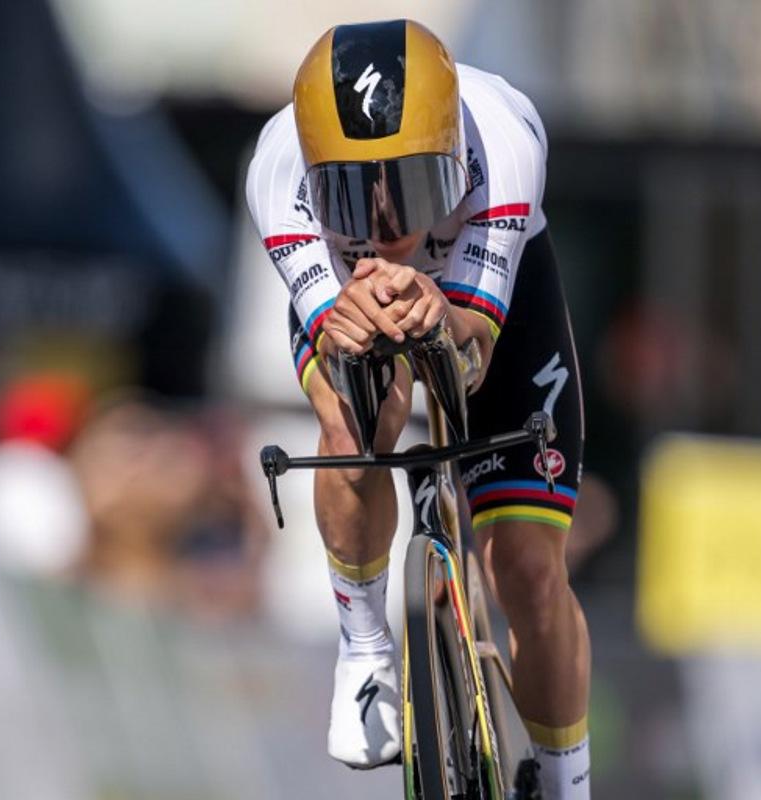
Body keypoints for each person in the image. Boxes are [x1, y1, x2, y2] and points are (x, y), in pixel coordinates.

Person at [246, 20, 591, 798]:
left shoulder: (504, 138)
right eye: (352, 193)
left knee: (528, 568)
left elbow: (474, 358)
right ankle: (365, 645)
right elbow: (333, 333)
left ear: (454, 155)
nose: (387, 222)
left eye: (414, 186)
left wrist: (441, 315)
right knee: (351, 419)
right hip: (349, 288)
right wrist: (350, 320)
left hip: (483, 298)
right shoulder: (276, 170)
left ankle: (568, 784)